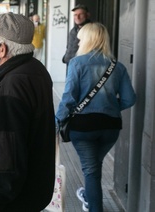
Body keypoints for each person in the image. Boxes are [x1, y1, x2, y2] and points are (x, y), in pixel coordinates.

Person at [0, 12, 56, 211]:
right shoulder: (35, 70)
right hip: (31, 193)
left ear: (2, 49)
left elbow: (3, 157)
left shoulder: (9, 87)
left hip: (9, 203)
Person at [56, 22, 136, 212]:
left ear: (88, 40)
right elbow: (130, 99)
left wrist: (56, 122)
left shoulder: (77, 63)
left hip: (83, 128)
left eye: (81, 38)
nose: (79, 41)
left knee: (91, 171)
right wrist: (110, 107)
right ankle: (88, 195)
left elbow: (68, 98)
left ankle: (93, 205)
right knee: (94, 169)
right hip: (111, 127)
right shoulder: (118, 67)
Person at [62, 4, 91, 75]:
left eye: (80, 14)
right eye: (75, 15)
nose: (77, 17)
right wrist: (66, 57)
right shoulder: (73, 30)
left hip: (82, 67)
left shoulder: (91, 30)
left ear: (87, 15)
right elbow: (69, 46)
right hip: (70, 64)